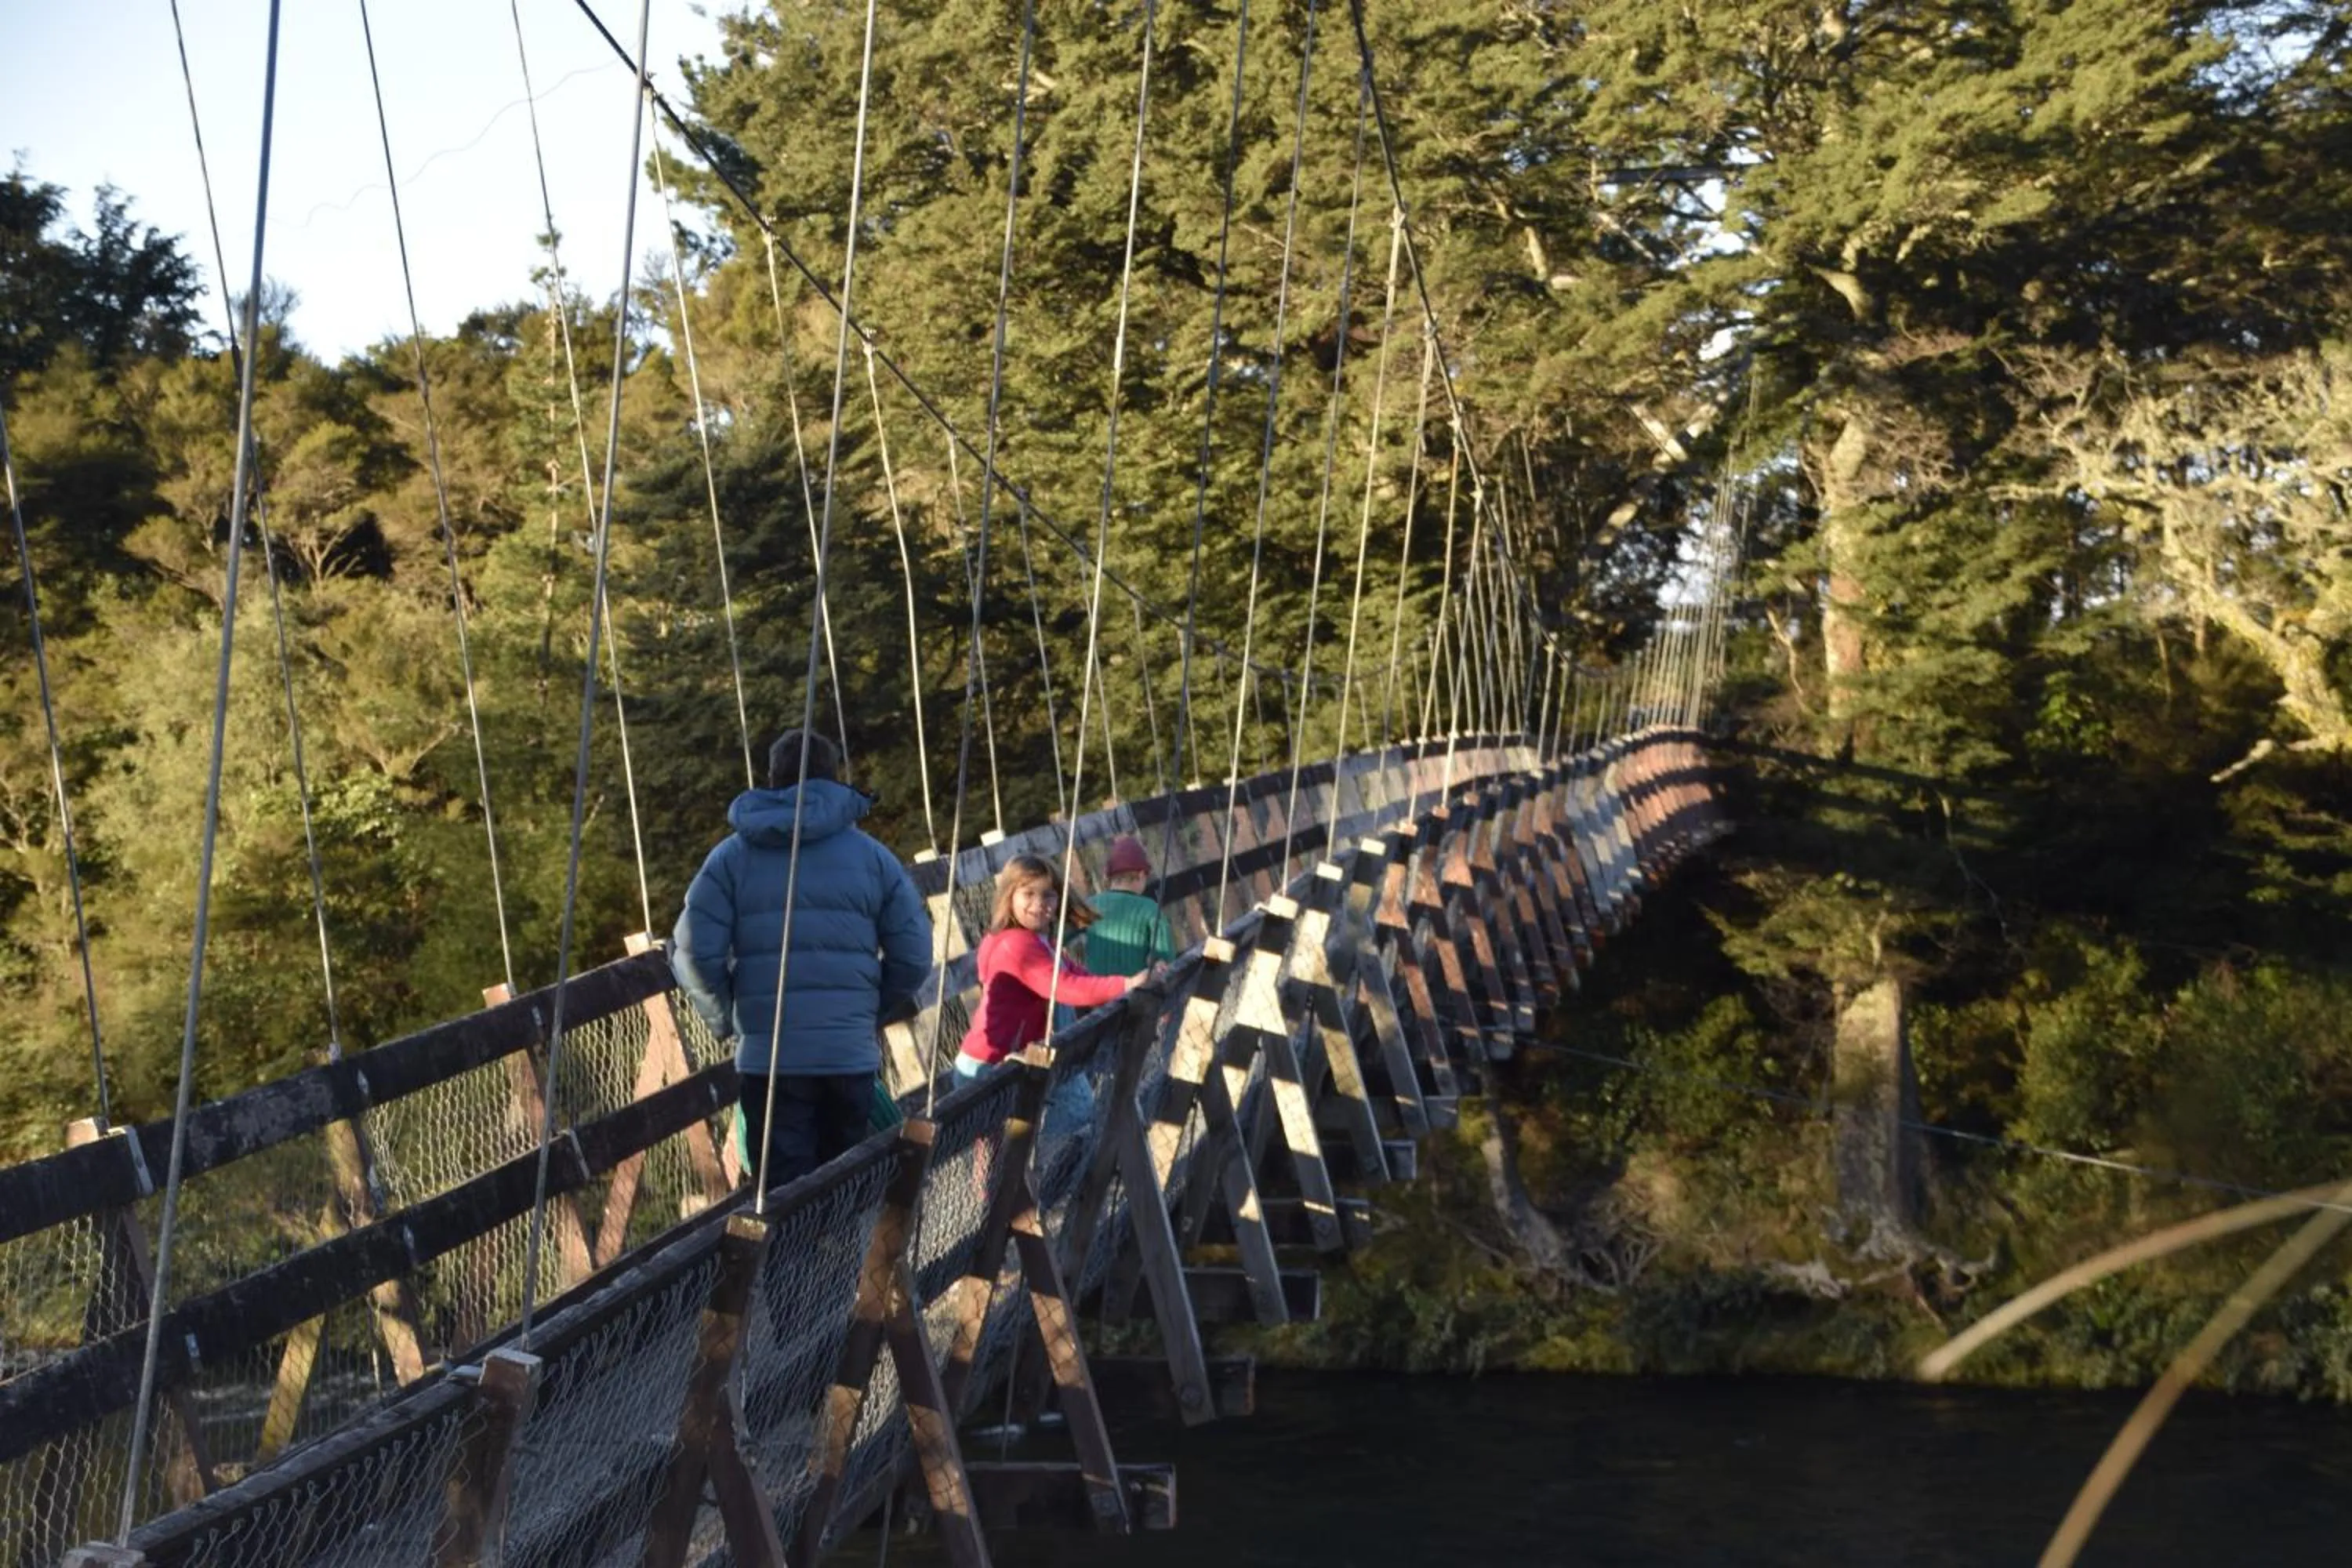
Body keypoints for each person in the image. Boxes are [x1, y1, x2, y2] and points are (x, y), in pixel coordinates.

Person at [672, 728, 931, 1192]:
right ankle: (843, 1242)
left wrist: (725, 1016)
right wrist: (867, 1010)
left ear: (772, 779)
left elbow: (691, 952)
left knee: (783, 1197)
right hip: (848, 1055)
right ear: (833, 778)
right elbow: (913, 957)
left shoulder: (731, 858)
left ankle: (796, 1243)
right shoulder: (873, 859)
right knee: (845, 1187)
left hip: (770, 1058)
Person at [954, 855, 1150, 1088]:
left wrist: (1132, 980)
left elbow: (1077, 975)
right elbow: (1065, 986)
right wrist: (1126, 985)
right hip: (987, 1067)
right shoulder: (1015, 946)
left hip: (1010, 1061)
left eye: (1048, 895)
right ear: (1009, 897)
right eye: (1028, 894)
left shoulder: (1039, 941)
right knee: (1075, 1107)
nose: (1039, 903)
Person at [1080, 835, 1178, 978]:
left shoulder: (1090, 905)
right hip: (1135, 988)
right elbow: (1164, 956)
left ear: (1110, 876)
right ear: (1141, 874)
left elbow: (1058, 938)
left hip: (1096, 988)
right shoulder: (1150, 909)